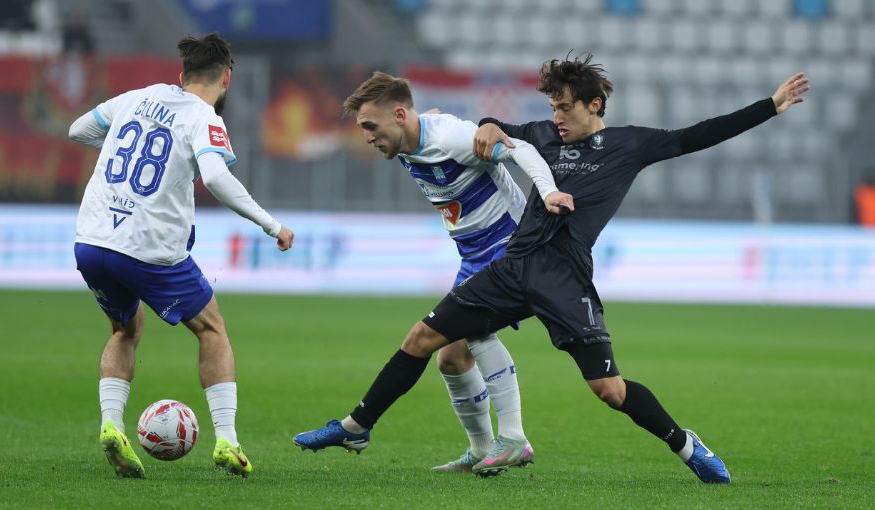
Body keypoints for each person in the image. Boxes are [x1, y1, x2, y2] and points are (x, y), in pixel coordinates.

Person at [293, 53, 809, 484]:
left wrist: (769, 106)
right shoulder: (543, 134)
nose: (556, 117)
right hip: (511, 267)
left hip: (564, 278)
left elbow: (697, 135)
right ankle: (358, 425)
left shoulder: (629, 145)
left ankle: (687, 445)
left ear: (594, 105)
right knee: (423, 339)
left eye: (564, 107)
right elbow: (496, 134)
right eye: (552, 107)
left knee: (609, 390)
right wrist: (489, 124)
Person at [292, 72, 574, 477]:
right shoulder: (407, 135)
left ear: (399, 116)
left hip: (509, 248)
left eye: (371, 126)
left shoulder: (452, 138)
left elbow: (524, 150)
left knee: (449, 334)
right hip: (473, 256)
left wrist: (548, 193)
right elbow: (423, 123)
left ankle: (511, 437)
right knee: (451, 359)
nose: (367, 137)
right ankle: (481, 449)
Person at [68, 32, 294, 479]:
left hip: (91, 241)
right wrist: (272, 225)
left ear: (181, 73)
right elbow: (217, 178)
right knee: (211, 328)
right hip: (148, 247)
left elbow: (78, 129)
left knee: (126, 328)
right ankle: (227, 440)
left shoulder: (138, 97)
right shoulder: (203, 117)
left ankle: (112, 425)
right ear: (226, 79)